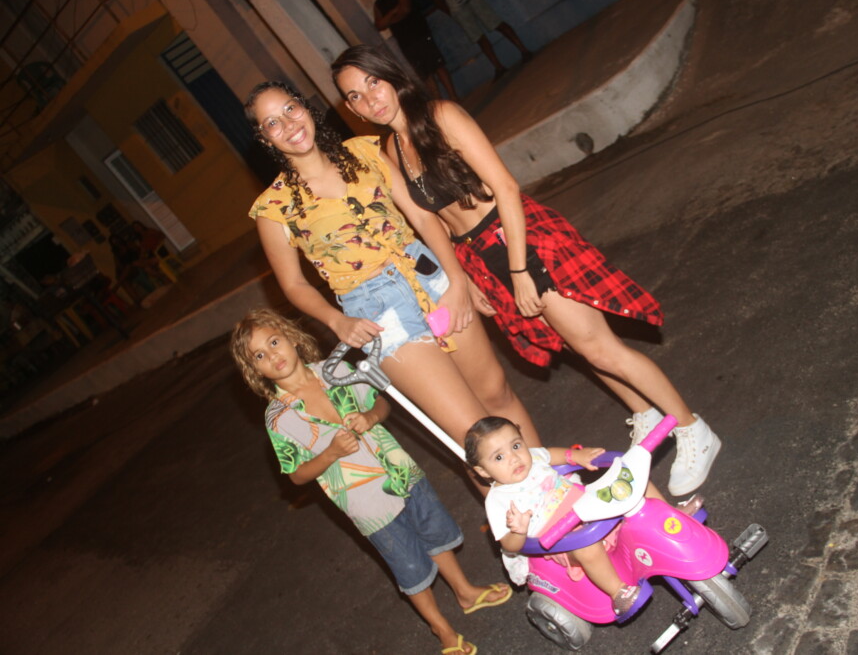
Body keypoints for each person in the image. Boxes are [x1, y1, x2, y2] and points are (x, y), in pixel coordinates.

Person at [331, 46, 721, 497]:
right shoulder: (391, 149)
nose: (369, 100)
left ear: (392, 77)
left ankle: (692, 429)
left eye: (373, 83)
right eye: (355, 96)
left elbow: (505, 186)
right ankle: (646, 413)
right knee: (575, 344)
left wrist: (519, 268)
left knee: (600, 348)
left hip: (517, 237)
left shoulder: (441, 115)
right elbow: (433, 220)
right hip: (477, 255)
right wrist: (465, 277)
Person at [243, 81, 542, 484]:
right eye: (273, 123)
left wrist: (457, 280)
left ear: (305, 107)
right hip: (378, 315)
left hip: (430, 278)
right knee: (472, 437)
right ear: (265, 138)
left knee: (497, 394)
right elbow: (294, 285)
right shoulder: (273, 208)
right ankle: (524, 520)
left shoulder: (364, 152)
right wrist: (336, 321)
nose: (289, 125)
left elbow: (422, 218)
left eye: (290, 109)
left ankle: (553, 488)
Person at [230, 309, 513, 655]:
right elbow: (296, 475)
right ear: (255, 370)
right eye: (259, 356)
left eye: (274, 342)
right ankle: (442, 630)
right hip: (366, 503)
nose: (273, 355)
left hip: (401, 471)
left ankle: (465, 592)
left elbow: (382, 404)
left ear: (291, 338)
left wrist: (369, 416)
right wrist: (331, 453)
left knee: (434, 533)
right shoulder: (279, 419)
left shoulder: (335, 370)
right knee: (409, 566)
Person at [465, 416, 703, 616]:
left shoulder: (532, 457)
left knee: (631, 483)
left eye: (516, 446)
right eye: (499, 457)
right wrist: (519, 530)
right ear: (482, 471)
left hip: (588, 504)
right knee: (586, 547)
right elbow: (509, 546)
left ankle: (672, 516)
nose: (514, 458)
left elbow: (549, 454)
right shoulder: (497, 501)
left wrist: (574, 456)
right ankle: (618, 591)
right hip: (561, 539)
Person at [428, 0, 532, 79]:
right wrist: (452, 12)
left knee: (497, 24)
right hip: (458, 8)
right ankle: (499, 67)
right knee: (478, 37)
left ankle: (524, 50)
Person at [374, 0, 458, 100]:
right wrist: (393, 12)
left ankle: (453, 96)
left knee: (437, 65)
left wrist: (388, 20)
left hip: (419, 32)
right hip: (405, 41)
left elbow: (405, 9)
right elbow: (379, 25)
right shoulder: (378, 4)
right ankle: (438, 101)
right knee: (424, 74)